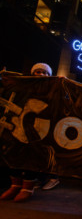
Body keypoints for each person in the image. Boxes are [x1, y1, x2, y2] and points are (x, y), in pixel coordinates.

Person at [0, 63, 58, 201]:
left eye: (45, 73)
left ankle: (27, 187)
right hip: (17, 126)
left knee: (31, 156)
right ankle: (15, 185)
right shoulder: (22, 87)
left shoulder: (53, 90)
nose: (41, 75)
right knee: (13, 154)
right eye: (38, 71)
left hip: (38, 129)